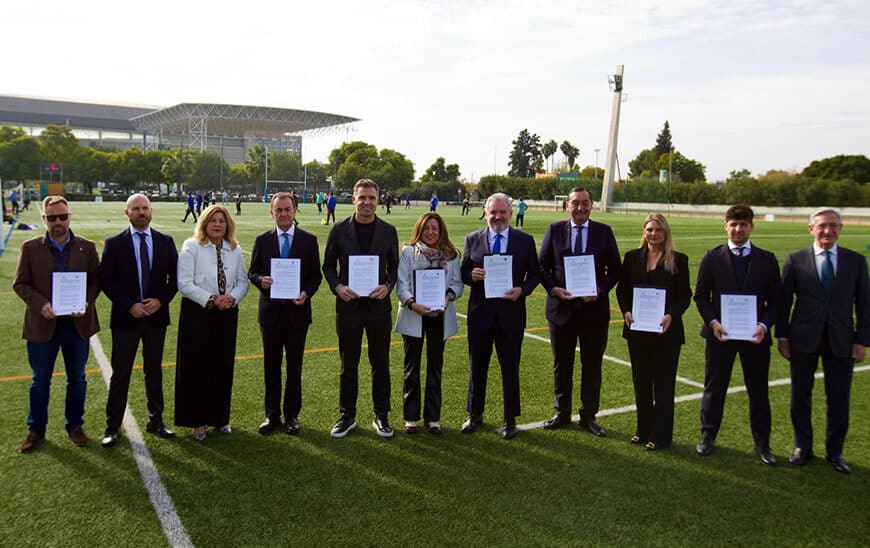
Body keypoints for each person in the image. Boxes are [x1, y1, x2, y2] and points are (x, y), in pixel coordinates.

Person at [777, 207, 870, 474]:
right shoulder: (795, 260)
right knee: (800, 396)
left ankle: (835, 452)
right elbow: (784, 303)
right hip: (803, 338)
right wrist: (782, 336)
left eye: (833, 226)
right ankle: (802, 447)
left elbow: (865, 304)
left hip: (841, 340)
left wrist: (861, 340)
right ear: (811, 229)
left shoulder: (855, 261)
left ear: (840, 229)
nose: (827, 231)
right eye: (822, 226)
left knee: (839, 397)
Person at [693, 205, 780, 465]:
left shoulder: (767, 259)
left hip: (755, 338)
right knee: (714, 387)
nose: (738, 229)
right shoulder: (712, 256)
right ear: (725, 225)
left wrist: (764, 325)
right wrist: (713, 322)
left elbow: (777, 300)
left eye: (743, 224)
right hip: (721, 336)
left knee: (758, 390)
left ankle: (762, 444)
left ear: (752, 226)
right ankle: (708, 436)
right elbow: (701, 296)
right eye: (733, 224)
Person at [14, 196, 101, 453]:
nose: (58, 222)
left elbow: (97, 282)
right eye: (52, 218)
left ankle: (74, 425)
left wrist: (86, 302)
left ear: (70, 216)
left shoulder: (86, 247)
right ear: (44, 219)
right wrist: (41, 304)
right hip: (42, 326)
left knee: (77, 379)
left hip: (77, 326)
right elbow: (20, 284)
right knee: (40, 380)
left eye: (63, 216)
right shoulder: (30, 248)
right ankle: (36, 429)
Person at [538, 187, 621, 436]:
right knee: (561, 364)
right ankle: (562, 413)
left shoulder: (603, 232)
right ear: (567, 206)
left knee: (592, 364)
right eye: (576, 203)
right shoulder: (555, 230)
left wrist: (600, 289)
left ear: (591, 205)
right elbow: (542, 267)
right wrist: (554, 289)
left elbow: (616, 269)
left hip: (594, 312)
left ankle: (588, 415)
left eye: (585, 203)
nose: (580, 208)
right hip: (561, 311)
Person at [100, 194, 179, 448]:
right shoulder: (114, 244)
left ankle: (156, 420)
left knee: (153, 370)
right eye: (136, 209)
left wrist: (160, 300)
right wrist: (129, 305)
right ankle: (113, 427)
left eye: (145, 208)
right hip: (126, 319)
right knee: (121, 373)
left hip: (156, 319)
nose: (141, 212)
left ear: (151, 210)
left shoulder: (165, 242)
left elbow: (175, 280)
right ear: (127, 213)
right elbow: (107, 282)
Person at [323, 179, 399, 438]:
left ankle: (381, 414)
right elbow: (328, 267)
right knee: (349, 363)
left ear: (378, 200)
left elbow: (394, 268)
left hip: (378, 307)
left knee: (381, 363)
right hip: (349, 307)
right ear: (354, 199)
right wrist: (338, 287)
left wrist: (388, 286)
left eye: (372, 198)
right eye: (362, 197)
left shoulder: (389, 231)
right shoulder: (338, 230)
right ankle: (347, 415)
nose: (367, 202)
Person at [460, 193, 540, 439]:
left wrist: (522, 290)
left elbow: (535, 275)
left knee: (510, 367)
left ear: (510, 212)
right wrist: (471, 275)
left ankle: (509, 418)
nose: (498, 216)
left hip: (511, 314)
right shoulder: (472, 239)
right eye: (493, 212)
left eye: (502, 212)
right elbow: (463, 273)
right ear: (486, 212)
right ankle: (475, 413)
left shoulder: (524, 241)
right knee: (478, 365)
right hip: (480, 314)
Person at [248, 193, 322, 436]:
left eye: (287, 209)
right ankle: (272, 415)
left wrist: (306, 293)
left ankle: (292, 416)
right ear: (271, 213)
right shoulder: (262, 240)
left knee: (294, 367)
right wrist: (262, 281)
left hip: (297, 314)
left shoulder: (308, 240)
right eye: (278, 210)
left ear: (295, 211)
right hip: (270, 314)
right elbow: (252, 273)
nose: (283, 214)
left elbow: (315, 276)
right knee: (271, 366)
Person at [616, 213, 691, 450]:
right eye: (649, 229)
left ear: (665, 233)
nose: (653, 234)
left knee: (664, 385)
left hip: (665, 333)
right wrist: (626, 311)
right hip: (637, 331)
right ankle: (642, 430)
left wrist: (671, 315)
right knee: (641, 383)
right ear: (644, 231)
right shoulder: (631, 258)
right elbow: (622, 291)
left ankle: (660, 436)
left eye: (658, 230)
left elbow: (684, 296)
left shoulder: (678, 260)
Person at [175, 205, 249, 441]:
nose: (218, 225)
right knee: (196, 367)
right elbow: (184, 284)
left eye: (222, 221)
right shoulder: (191, 246)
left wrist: (231, 298)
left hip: (226, 313)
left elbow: (242, 281)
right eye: (213, 220)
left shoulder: (234, 250)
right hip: (198, 313)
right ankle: (197, 422)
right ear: (204, 223)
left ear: (228, 225)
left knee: (222, 365)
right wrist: (211, 300)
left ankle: (219, 418)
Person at [394, 212, 464, 435]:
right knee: (411, 367)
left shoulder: (451, 255)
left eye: (435, 228)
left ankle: (433, 418)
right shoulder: (408, 252)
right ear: (419, 230)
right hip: (414, 314)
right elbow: (401, 284)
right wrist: (412, 304)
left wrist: (447, 297)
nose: (431, 232)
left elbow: (457, 284)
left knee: (435, 367)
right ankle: (411, 417)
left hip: (439, 316)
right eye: (426, 228)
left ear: (441, 231)